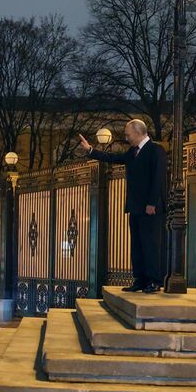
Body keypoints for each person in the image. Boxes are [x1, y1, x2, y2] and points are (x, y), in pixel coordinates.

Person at [79, 119, 167, 294]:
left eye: (128, 134)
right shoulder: (133, 152)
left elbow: (158, 178)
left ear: (138, 132)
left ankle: (154, 280)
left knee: (150, 244)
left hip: (150, 208)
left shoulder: (156, 150)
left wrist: (151, 203)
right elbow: (113, 158)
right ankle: (140, 279)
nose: (126, 137)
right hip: (135, 207)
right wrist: (90, 150)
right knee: (137, 246)